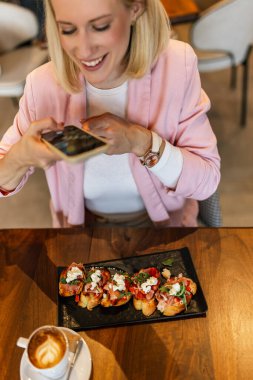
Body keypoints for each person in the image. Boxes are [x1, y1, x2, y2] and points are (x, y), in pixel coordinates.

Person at [0, 0, 220, 228]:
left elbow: (207, 181)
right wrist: (20, 157)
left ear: (136, 8)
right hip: (80, 232)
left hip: (164, 228)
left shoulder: (177, 65)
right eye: (68, 30)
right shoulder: (43, 84)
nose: (83, 50)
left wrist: (141, 142)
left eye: (101, 26)